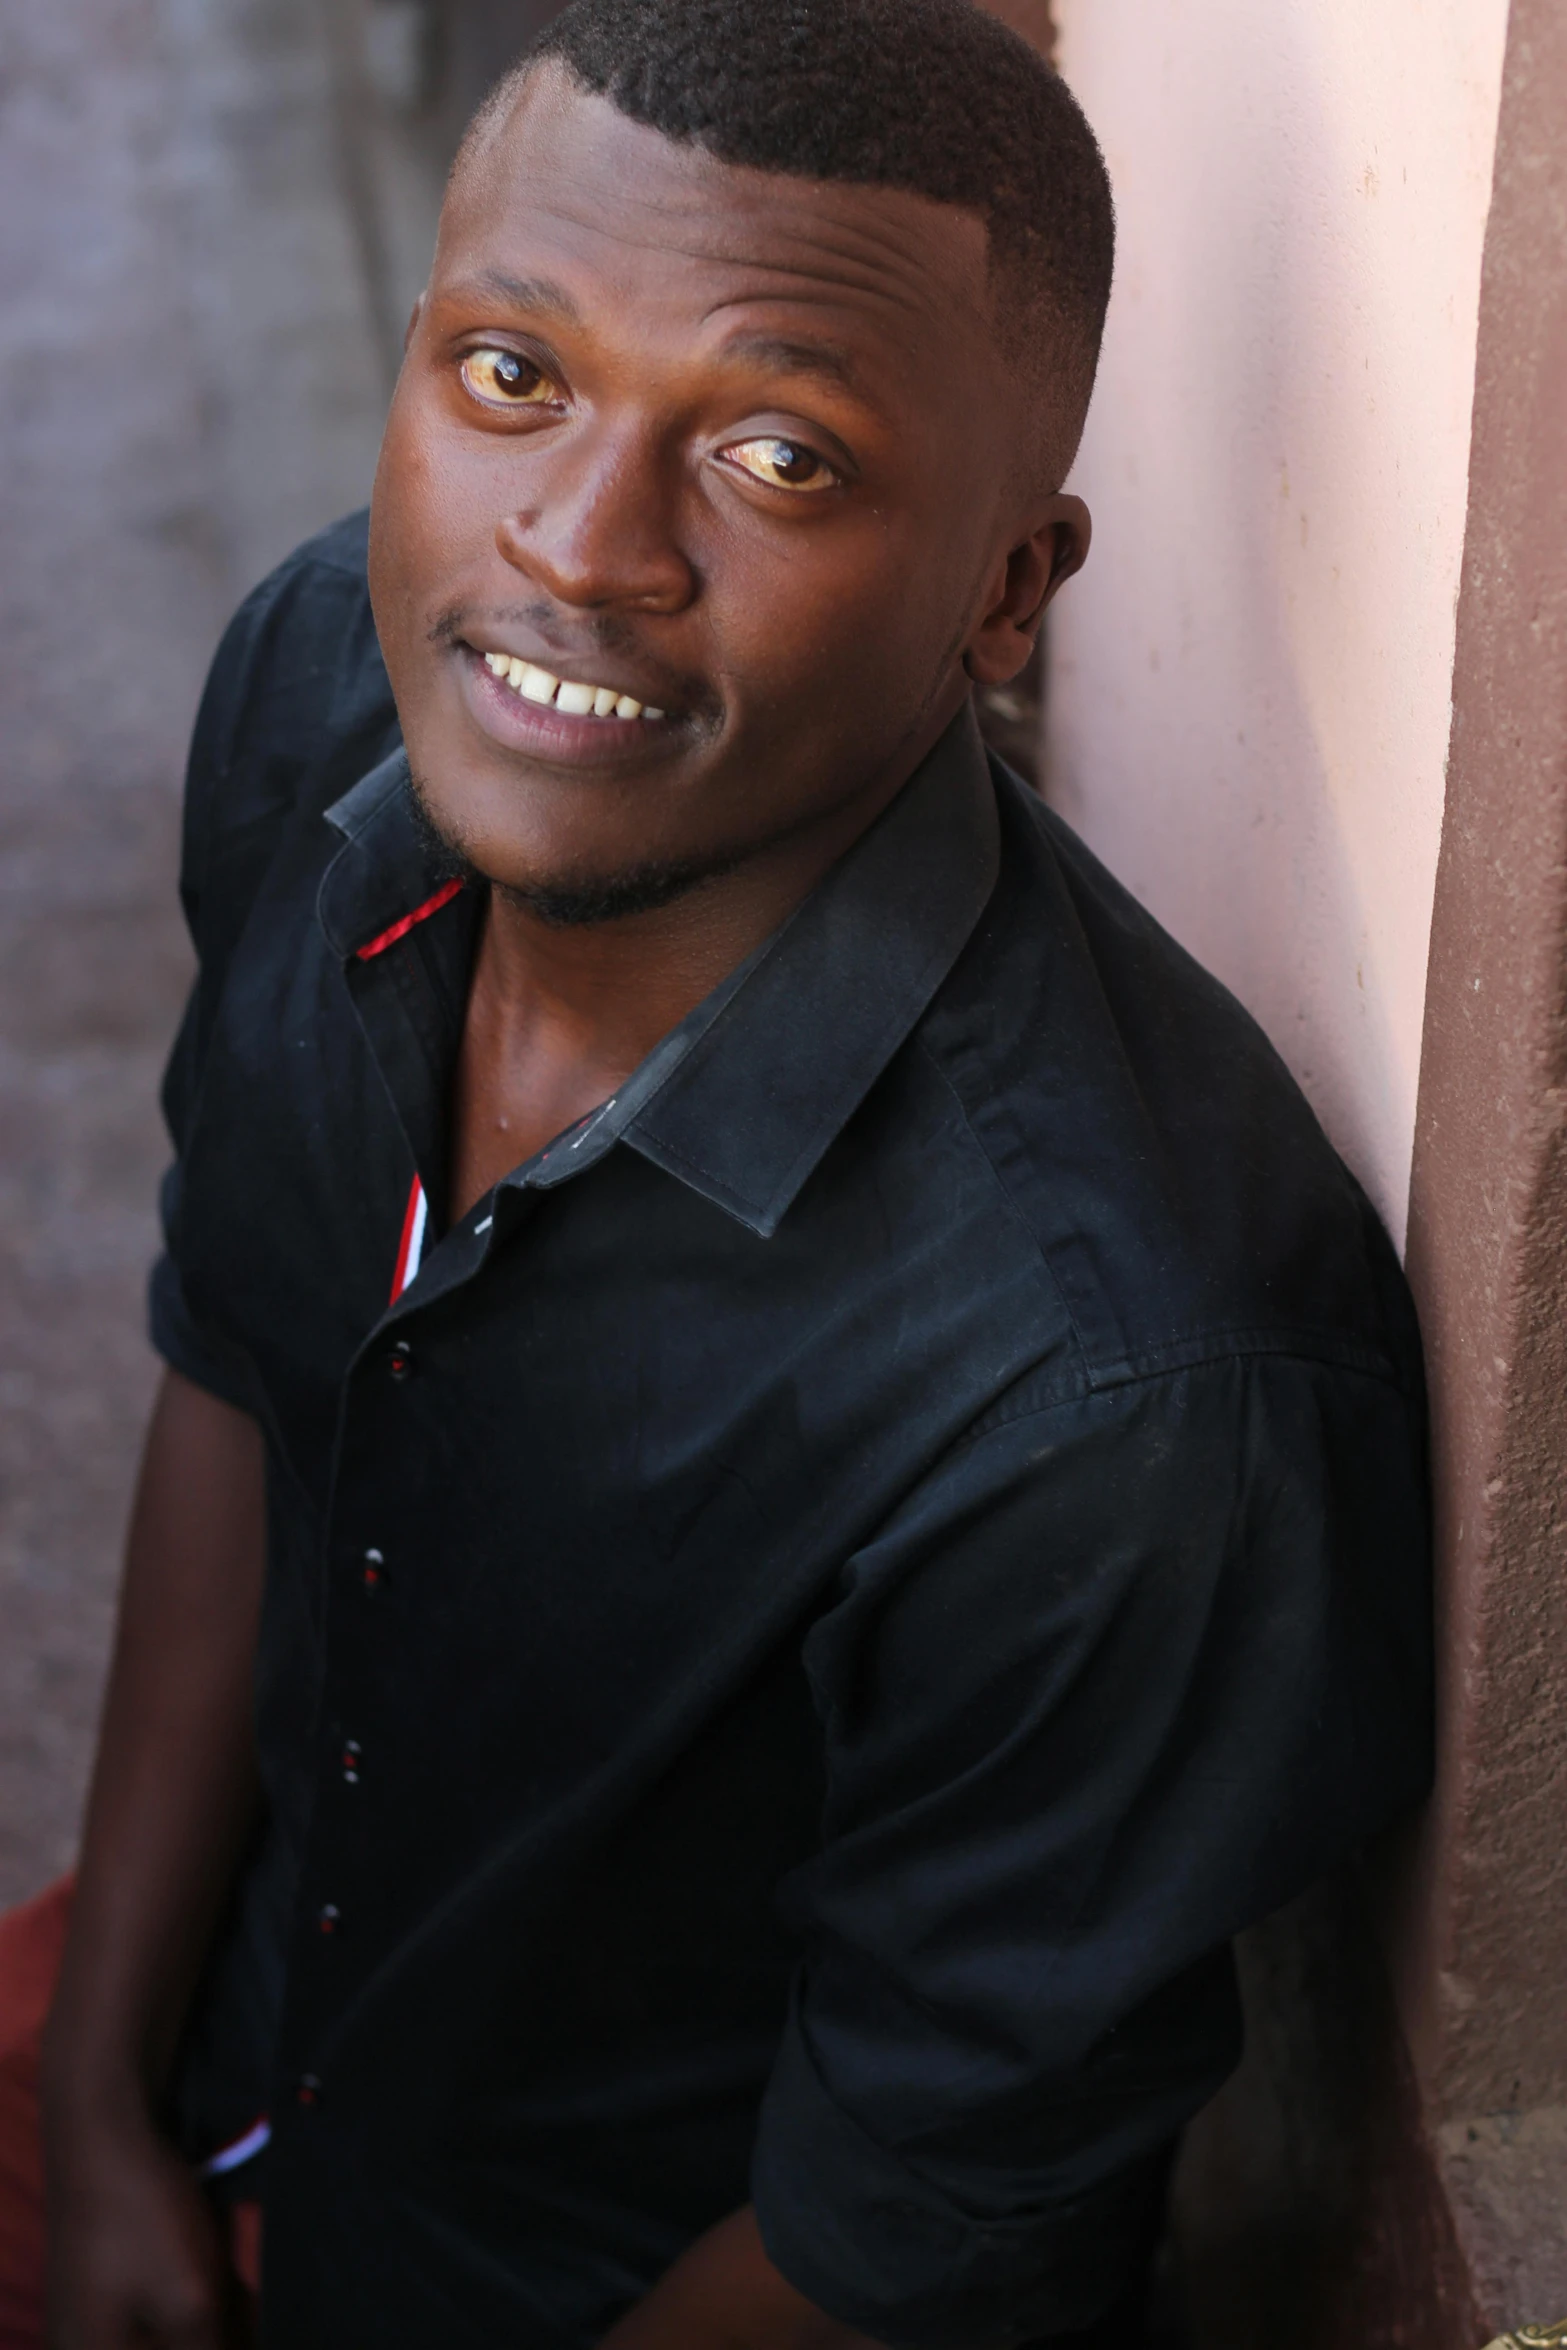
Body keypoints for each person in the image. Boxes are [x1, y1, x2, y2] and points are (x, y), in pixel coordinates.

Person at [17, 0, 1432, 2343]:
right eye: (508, 377)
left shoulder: (1130, 1410)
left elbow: (890, 2238)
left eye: (778, 453)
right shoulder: (324, 698)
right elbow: (238, 1352)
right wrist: (95, 2097)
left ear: (1007, 590)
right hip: (222, 2060)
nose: (575, 548)